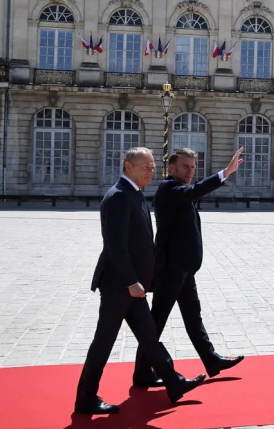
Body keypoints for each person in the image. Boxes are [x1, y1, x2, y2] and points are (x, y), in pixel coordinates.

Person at [74, 147, 205, 415]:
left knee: (150, 337)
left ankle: (174, 383)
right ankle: (85, 398)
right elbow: (115, 246)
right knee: (103, 343)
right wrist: (132, 281)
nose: (151, 171)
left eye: (152, 167)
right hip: (119, 286)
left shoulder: (134, 194)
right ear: (128, 167)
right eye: (145, 166)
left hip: (134, 287)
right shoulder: (119, 197)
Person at [132, 147, 246, 387]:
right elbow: (195, 191)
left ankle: (211, 359)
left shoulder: (181, 190)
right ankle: (142, 373)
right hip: (171, 268)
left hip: (183, 267)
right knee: (157, 321)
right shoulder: (169, 189)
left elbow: (193, 192)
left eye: (193, 167)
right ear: (171, 168)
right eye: (185, 166)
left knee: (193, 316)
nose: (190, 171)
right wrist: (224, 173)